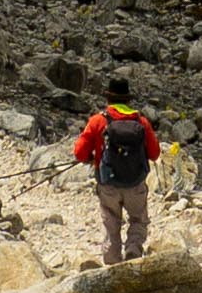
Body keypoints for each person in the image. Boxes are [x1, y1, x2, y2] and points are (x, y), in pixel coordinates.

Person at [64, 80, 166, 262]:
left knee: (111, 222)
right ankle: (133, 250)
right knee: (138, 219)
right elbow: (155, 153)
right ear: (128, 100)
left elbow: (79, 152)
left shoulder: (98, 121)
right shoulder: (141, 122)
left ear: (108, 98)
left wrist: (91, 158)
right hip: (135, 183)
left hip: (108, 183)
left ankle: (112, 259)